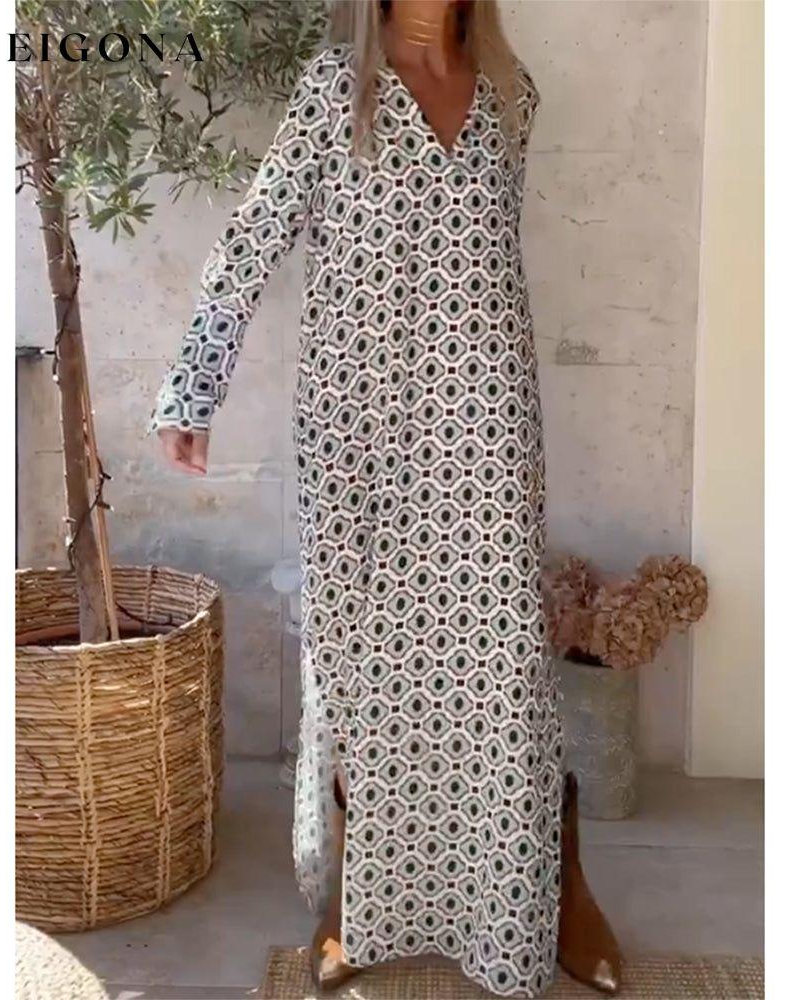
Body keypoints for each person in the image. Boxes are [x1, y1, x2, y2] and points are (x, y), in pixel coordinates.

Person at [150, 1, 621, 996]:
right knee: (363, 670)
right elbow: (252, 238)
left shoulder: (511, 95)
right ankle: (357, 897)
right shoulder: (336, 89)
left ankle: (532, 892)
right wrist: (193, 387)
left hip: (484, 428)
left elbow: (492, 266)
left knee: (496, 667)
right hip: (355, 431)